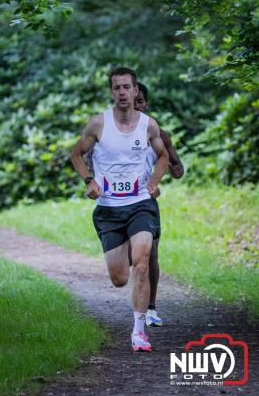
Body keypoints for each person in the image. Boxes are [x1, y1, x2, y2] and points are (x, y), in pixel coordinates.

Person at [71, 67, 169, 352]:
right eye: (117, 88)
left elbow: (162, 156)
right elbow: (76, 154)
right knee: (119, 278)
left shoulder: (148, 125)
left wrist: (153, 182)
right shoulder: (98, 124)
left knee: (142, 263)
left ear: (136, 90)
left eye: (127, 87)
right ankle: (126, 244)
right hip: (109, 210)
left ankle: (139, 332)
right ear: (112, 91)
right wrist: (89, 180)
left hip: (140, 205)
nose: (123, 92)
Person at [134, 82, 184, 328]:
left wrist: (166, 173)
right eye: (133, 101)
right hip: (117, 205)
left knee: (151, 255)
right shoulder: (111, 132)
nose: (136, 105)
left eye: (140, 101)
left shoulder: (159, 134)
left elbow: (177, 167)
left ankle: (150, 308)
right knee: (127, 263)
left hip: (146, 203)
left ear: (146, 103)